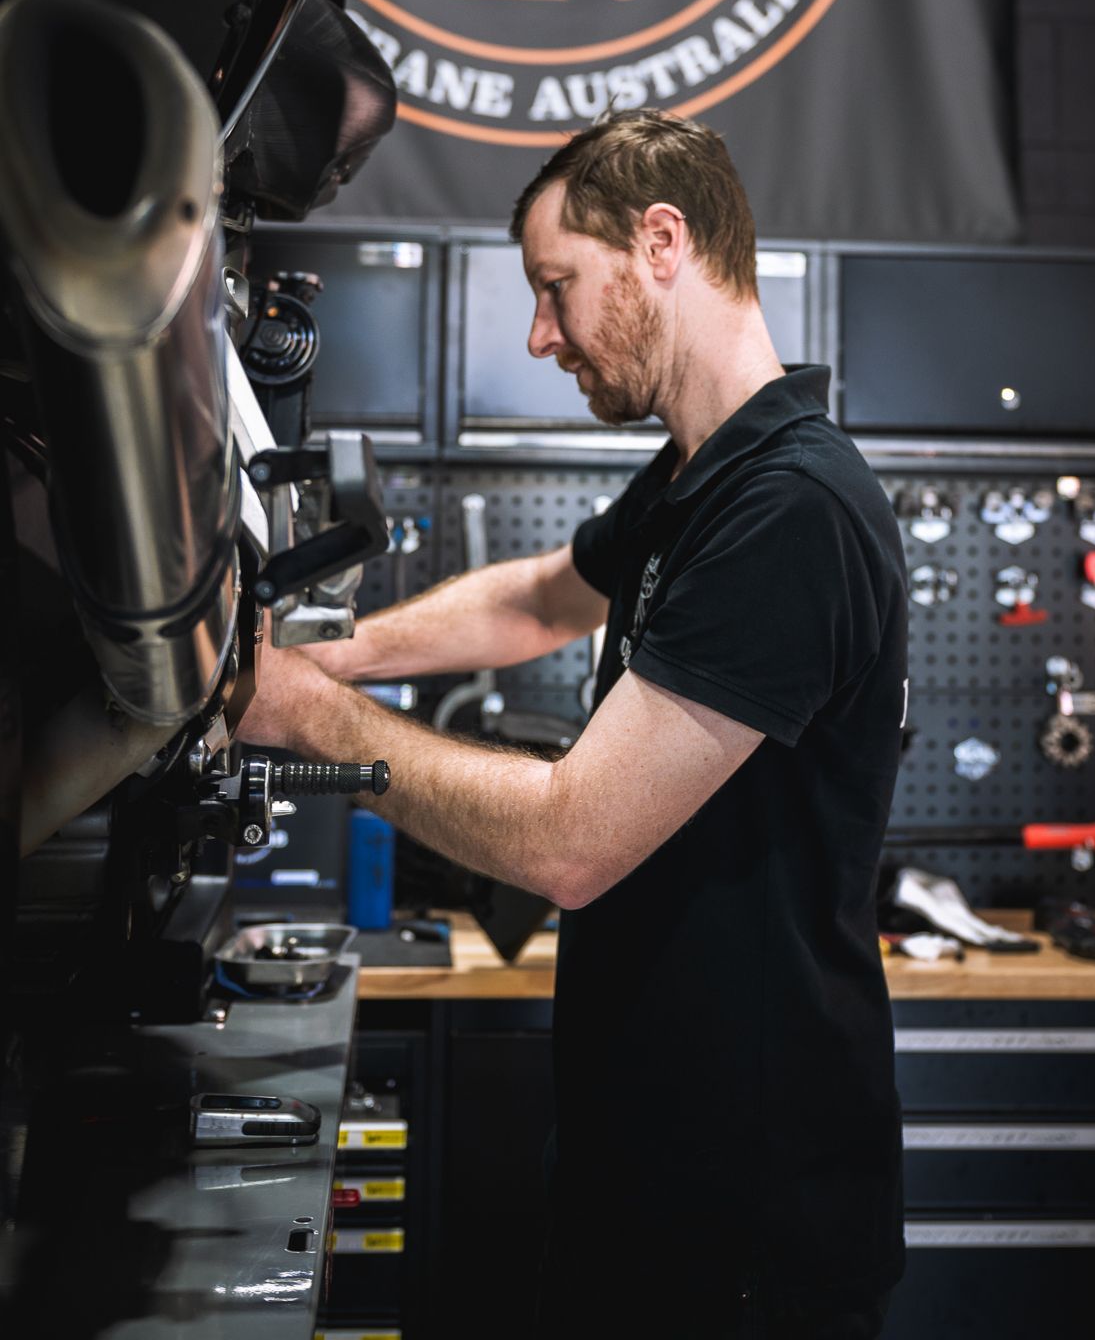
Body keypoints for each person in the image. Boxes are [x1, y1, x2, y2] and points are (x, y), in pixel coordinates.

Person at [243, 111, 908, 1338]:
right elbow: (539, 593)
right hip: (641, 1173)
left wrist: (297, 710)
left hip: (745, 1232)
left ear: (661, 240)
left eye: (556, 287)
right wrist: (321, 649)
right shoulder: (696, 475)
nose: (540, 335)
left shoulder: (791, 510)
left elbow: (571, 840)